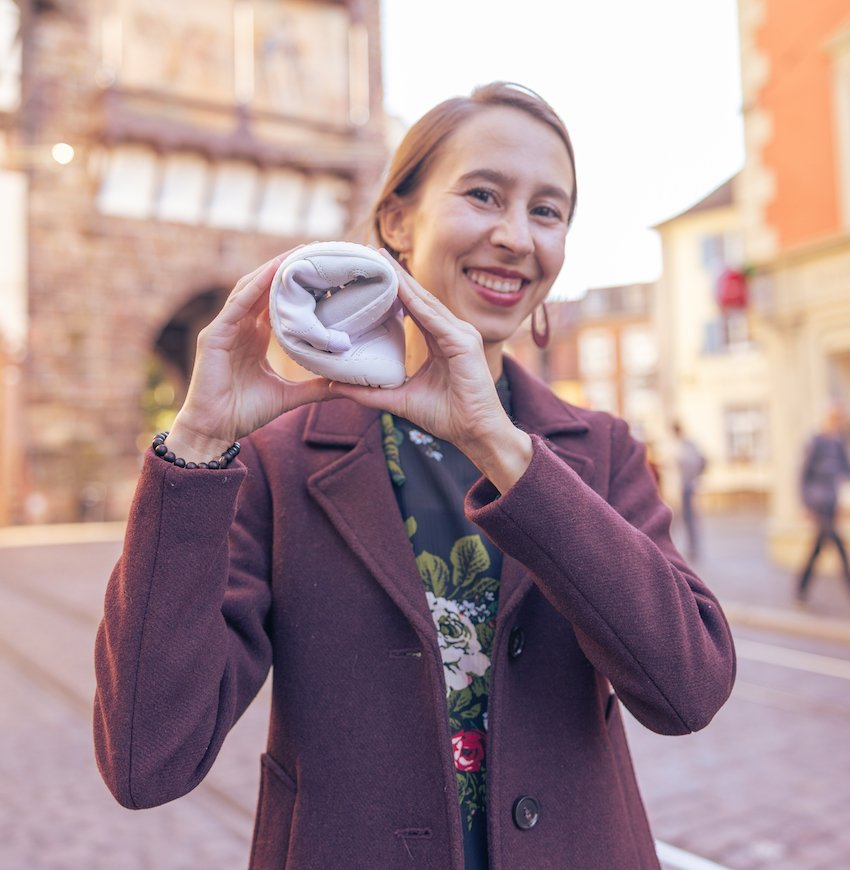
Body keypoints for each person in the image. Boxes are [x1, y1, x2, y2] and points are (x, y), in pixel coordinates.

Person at [94, 82, 735, 870]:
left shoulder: (600, 451)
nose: (515, 236)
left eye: (547, 211)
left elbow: (689, 689)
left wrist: (504, 449)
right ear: (398, 220)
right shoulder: (280, 461)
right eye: (483, 194)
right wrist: (195, 443)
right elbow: (146, 761)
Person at [796, 404, 850, 601]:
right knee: (838, 545)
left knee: (818, 548)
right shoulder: (815, 442)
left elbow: (846, 471)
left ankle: (801, 589)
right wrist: (806, 503)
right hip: (818, 503)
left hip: (832, 503)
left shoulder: (838, 444)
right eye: (834, 418)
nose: (837, 422)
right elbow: (803, 475)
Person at [671, 422, 707, 561]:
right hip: (686, 486)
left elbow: (690, 465)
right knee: (685, 519)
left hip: (687, 487)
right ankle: (689, 547)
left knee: (688, 518)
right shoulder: (686, 445)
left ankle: (692, 548)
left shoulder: (686, 445)